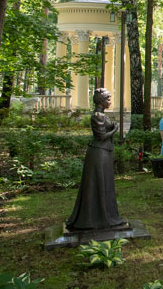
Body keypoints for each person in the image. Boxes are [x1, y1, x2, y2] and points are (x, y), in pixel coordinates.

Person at [66, 88, 126, 230]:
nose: (110, 102)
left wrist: (112, 127)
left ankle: (103, 214)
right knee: (97, 183)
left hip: (104, 152)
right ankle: (94, 217)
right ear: (101, 101)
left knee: (104, 183)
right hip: (98, 153)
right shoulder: (97, 116)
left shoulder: (102, 115)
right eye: (108, 99)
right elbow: (100, 136)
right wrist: (115, 130)